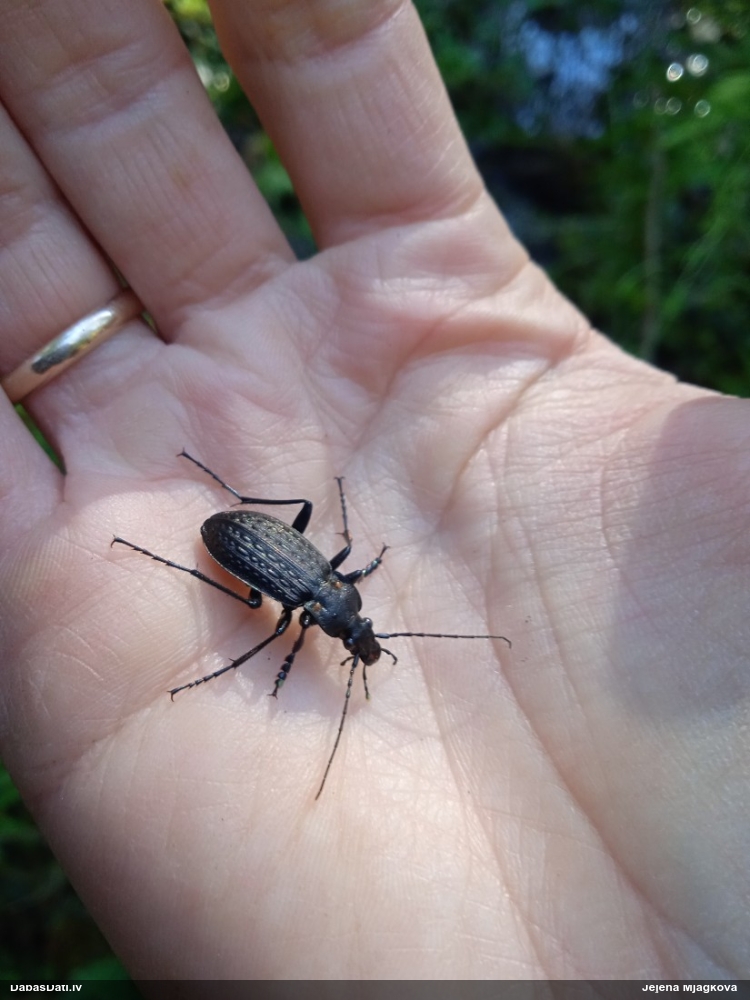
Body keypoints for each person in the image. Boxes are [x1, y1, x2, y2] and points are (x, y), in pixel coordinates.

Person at [0, 0, 746, 982]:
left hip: (247, 542)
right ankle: (190, 521)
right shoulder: (318, 602)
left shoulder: (330, 596)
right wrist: (235, 528)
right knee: (269, 594)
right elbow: (281, 587)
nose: (355, 638)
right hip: (236, 531)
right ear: (346, 608)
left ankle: (185, 533)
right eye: (356, 633)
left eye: (350, 638)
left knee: (272, 589)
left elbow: (308, 586)